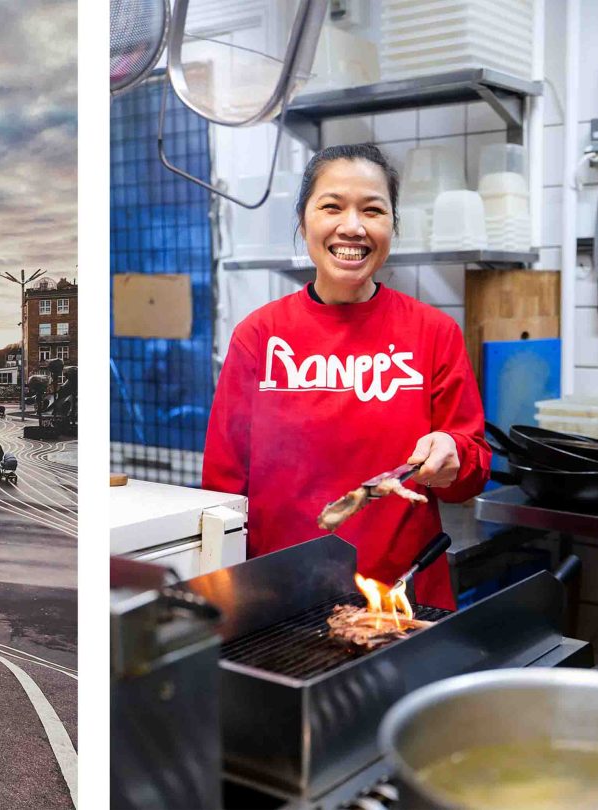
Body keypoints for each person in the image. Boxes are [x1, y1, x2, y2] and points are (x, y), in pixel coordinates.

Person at [202, 143, 490, 611]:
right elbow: (222, 486)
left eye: (372, 210)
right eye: (331, 206)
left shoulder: (434, 333)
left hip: (403, 600)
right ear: (303, 222)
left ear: (392, 226)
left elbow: (471, 470)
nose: (352, 226)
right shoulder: (260, 336)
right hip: (280, 599)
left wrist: (453, 454)